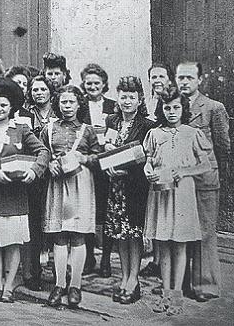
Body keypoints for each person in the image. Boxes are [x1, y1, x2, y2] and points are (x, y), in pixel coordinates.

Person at [0, 77, 51, 303]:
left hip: (15, 194)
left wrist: (34, 171)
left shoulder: (22, 129)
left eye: (4, 105)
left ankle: (9, 288)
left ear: (11, 108)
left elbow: (43, 151)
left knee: (13, 242)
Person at [143, 86, 212, 316]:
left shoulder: (192, 133)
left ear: (183, 109)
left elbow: (206, 166)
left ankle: (177, 296)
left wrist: (184, 171)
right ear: (161, 109)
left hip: (182, 194)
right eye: (167, 108)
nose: (171, 112)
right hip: (161, 193)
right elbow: (148, 161)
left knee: (180, 245)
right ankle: (165, 293)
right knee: (163, 245)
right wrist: (148, 170)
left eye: (176, 107)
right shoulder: (155, 133)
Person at [41, 85, 102, 309]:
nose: (67, 106)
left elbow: (98, 157)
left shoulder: (87, 130)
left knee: (77, 235)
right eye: (63, 102)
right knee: (59, 235)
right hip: (57, 184)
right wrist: (49, 165)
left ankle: (75, 285)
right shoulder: (49, 128)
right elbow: (41, 153)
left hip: (80, 184)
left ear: (79, 104)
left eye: (71, 102)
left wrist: (84, 159)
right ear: (58, 103)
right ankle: (59, 284)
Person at [177, 61, 228, 302]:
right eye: (180, 77)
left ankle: (205, 285)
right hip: (180, 181)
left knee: (205, 232)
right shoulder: (172, 106)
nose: (184, 82)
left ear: (199, 80)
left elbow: (223, 147)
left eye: (188, 77)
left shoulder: (213, 108)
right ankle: (182, 283)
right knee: (182, 230)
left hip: (204, 180)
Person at [103, 76, 155, 304]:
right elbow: (103, 152)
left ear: (139, 99)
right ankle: (123, 277)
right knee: (119, 235)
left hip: (134, 188)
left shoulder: (147, 125)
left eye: (131, 97)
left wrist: (127, 172)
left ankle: (134, 280)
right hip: (114, 188)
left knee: (133, 235)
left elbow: (147, 159)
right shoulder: (111, 121)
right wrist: (107, 168)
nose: (126, 101)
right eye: (123, 96)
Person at [139, 62, 176, 280]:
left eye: (161, 76)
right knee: (157, 216)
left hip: (172, 168)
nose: (157, 80)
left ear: (169, 78)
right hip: (153, 163)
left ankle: (170, 263)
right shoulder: (150, 102)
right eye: (153, 77)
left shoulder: (173, 100)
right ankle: (157, 260)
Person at [80, 63, 116, 276]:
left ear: (104, 85)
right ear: (84, 85)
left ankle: (106, 260)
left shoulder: (112, 106)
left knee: (107, 211)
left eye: (97, 83)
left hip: (108, 163)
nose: (93, 86)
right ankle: (89, 257)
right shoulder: (81, 105)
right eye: (89, 83)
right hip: (88, 163)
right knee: (88, 210)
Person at [22, 75, 56, 290]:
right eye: (35, 90)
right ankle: (33, 270)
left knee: (53, 223)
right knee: (34, 222)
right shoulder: (27, 114)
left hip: (56, 175)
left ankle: (55, 268)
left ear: (50, 92)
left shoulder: (58, 112)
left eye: (43, 89)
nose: (39, 93)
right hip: (35, 175)